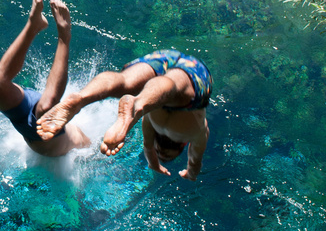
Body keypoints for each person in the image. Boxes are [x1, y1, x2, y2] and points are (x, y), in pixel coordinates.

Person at [36, 49, 212, 180]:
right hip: (173, 91)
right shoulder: (182, 130)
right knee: (172, 84)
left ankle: (81, 97)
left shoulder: (158, 126)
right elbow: (189, 160)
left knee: (125, 81)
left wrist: (159, 163)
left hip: (170, 56)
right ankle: (135, 105)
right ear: (182, 146)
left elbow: (151, 148)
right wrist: (190, 172)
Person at [0, 0, 91, 157]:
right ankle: (36, 25)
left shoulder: (82, 144)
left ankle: (63, 34)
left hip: (47, 137)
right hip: (31, 121)